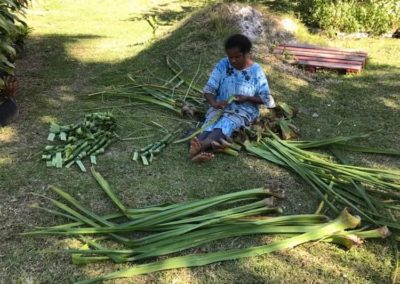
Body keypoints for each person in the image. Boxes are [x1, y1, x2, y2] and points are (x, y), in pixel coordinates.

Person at [190, 34, 275, 162]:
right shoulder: (223, 65)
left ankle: (199, 147)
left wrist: (246, 98)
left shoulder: (256, 71)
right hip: (220, 107)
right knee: (210, 125)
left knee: (225, 124)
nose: (233, 60)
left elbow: (267, 99)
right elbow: (209, 89)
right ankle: (198, 149)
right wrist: (214, 103)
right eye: (230, 57)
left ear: (246, 53)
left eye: (237, 57)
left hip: (243, 111)